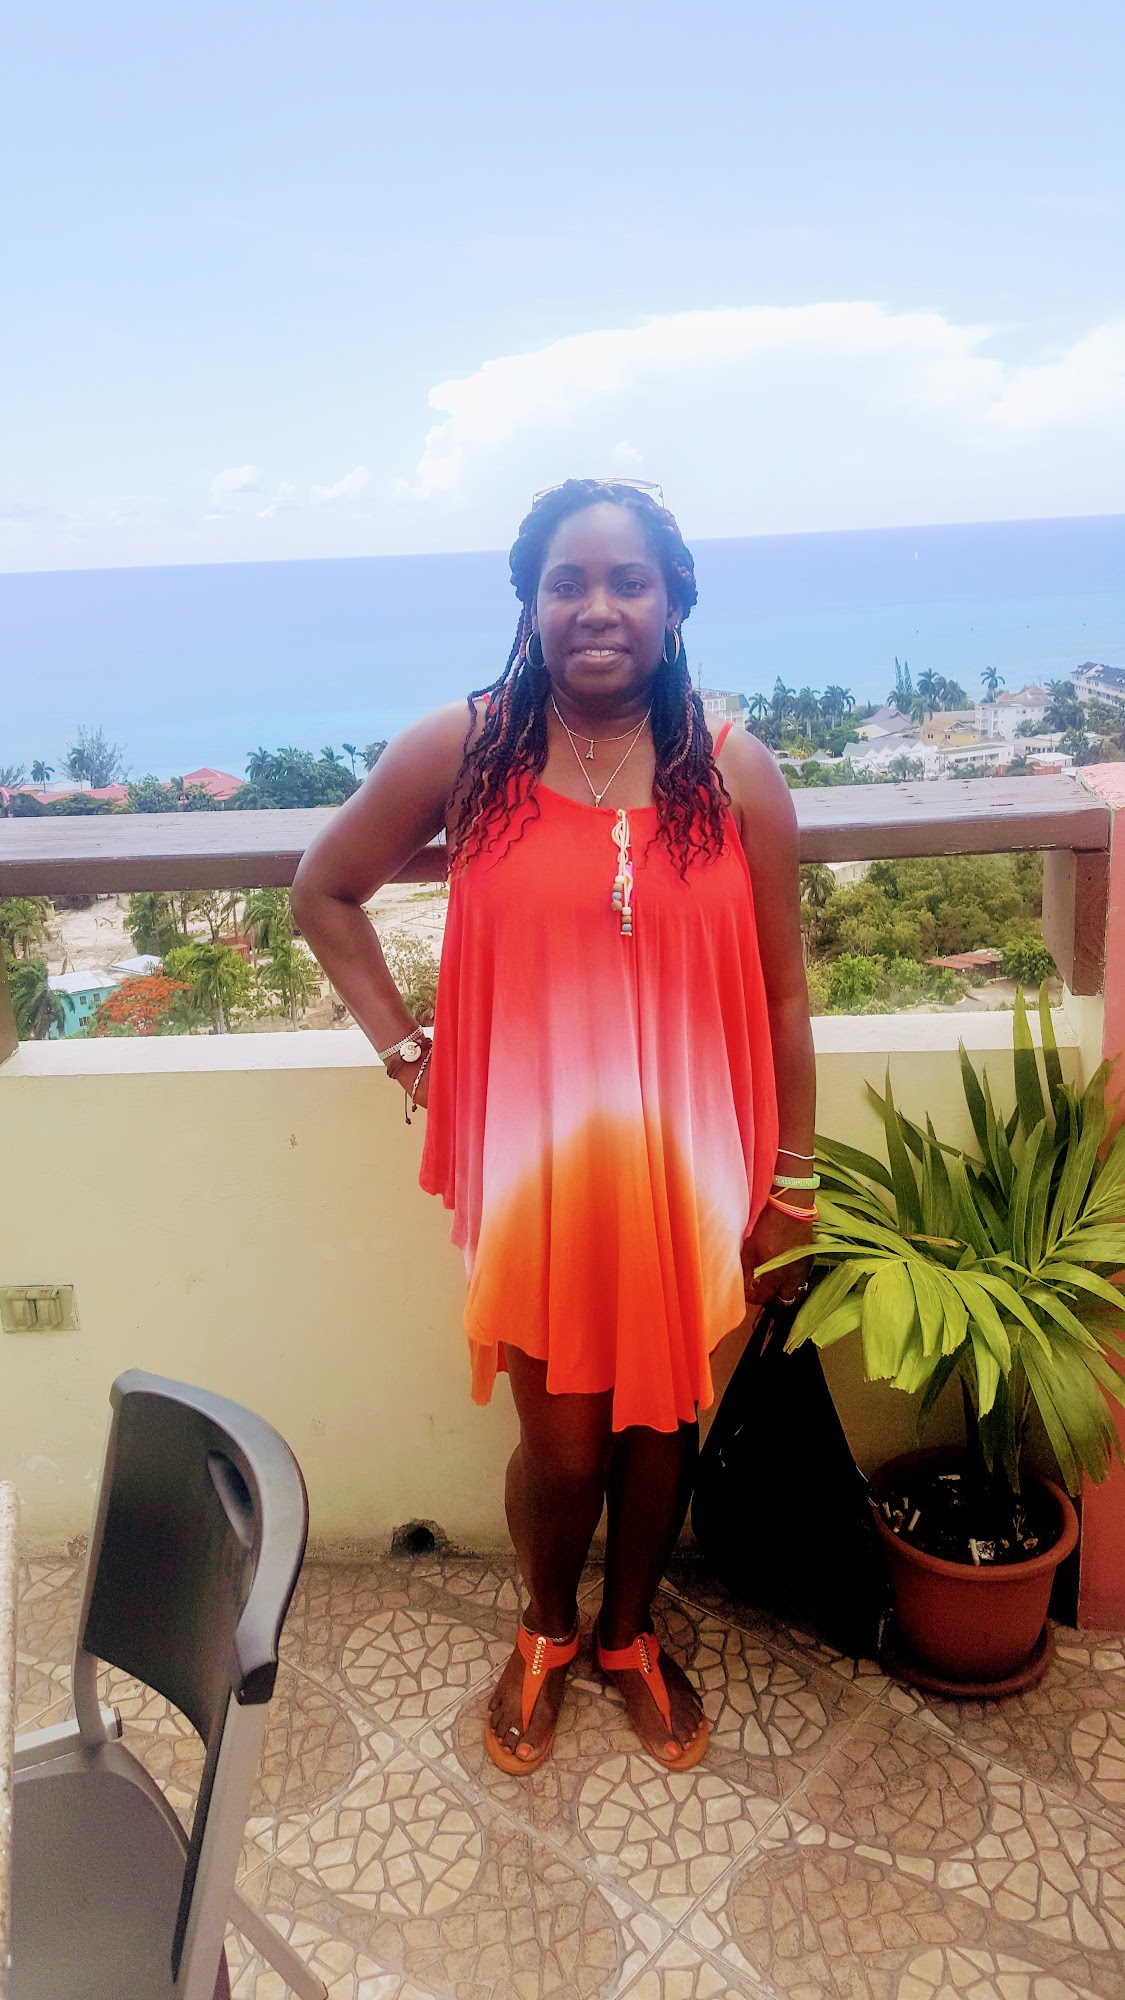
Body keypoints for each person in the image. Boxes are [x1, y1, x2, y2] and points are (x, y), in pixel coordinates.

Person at [291, 478, 815, 1776]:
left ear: (673, 602)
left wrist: (791, 1188)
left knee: (662, 1431)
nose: (597, 608)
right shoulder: (466, 750)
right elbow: (325, 890)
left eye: (629, 582)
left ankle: (629, 1638)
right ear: (529, 603)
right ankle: (546, 1626)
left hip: (692, 1167)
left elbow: (783, 993)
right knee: (566, 1445)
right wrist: (410, 1051)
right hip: (537, 1173)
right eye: (566, 583)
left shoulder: (733, 768)